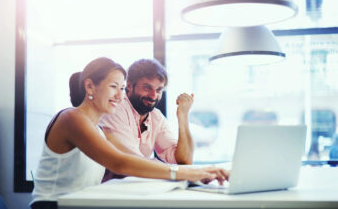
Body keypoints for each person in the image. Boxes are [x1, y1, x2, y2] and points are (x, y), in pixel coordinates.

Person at [30, 57, 229, 209]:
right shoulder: (71, 118)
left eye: (122, 88)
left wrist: (196, 171)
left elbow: (135, 159)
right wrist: (189, 172)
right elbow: (120, 162)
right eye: (113, 87)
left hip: (80, 203)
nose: (119, 95)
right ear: (90, 86)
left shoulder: (99, 131)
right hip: (53, 205)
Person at [99, 59, 195, 181]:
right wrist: (186, 173)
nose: (153, 96)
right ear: (129, 85)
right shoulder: (116, 109)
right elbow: (133, 161)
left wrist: (183, 117)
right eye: (147, 88)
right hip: (107, 190)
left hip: (136, 187)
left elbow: (184, 160)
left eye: (159, 90)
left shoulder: (156, 116)